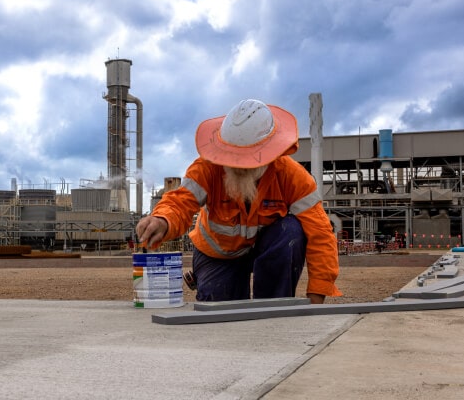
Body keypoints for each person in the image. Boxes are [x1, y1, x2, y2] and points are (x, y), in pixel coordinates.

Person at [136, 99, 341, 304]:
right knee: (222, 315)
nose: (238, 165)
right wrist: (162, 219)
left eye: (245, 160)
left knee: (292, 230)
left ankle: (272, 309)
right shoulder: (207, 168)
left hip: (268, 252)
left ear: (269, 155)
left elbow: (320, 234)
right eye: (232, 157)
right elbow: (180, 201)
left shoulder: (291, 177)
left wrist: (316, 299)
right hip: (218, 255)